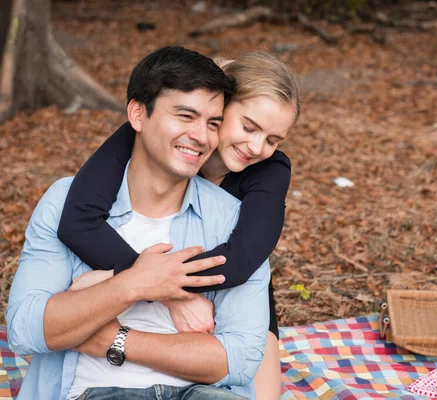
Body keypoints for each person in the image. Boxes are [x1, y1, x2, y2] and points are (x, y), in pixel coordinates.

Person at [6, 46, 271, 400]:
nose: (201, 136)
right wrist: (134, 284)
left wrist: (116, 339)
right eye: (185, 116)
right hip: (97, 390)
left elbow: (238, 361)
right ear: (137, 114)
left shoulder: (234, 221)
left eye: (212, 123)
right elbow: (26, 329)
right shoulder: (67, 201)